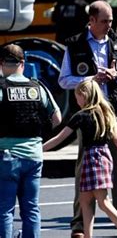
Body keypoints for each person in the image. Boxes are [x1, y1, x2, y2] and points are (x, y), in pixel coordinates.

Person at [58, 0, 117, 238]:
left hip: (115, 110)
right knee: (84, 168)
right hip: (89, 114)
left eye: (111, 21)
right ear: (91, 20)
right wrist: (91, 80)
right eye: (104, 21)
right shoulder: (74, 45)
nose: (109, 25)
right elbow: (64, 80)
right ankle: (79, 225)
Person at [43, 80, 117, 238]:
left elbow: (60, 138)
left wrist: (40, 149)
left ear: (84, 95)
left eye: (77, 97)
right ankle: (89, 235)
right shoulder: (106, 112)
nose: (77, 101)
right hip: (104, 157)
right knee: (86, 201)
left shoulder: (81, 115)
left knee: (102, 202)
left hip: (90, 158)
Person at [0, 44, 62, 238]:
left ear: (1, 64)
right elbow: (57, 117)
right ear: (23, 63)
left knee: (5, 209)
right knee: (31, 208)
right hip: (34, 155)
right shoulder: (37, 86)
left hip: (7, 156)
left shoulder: (2, 87)